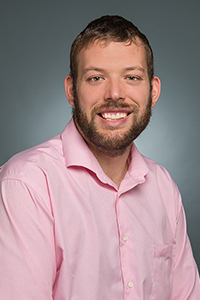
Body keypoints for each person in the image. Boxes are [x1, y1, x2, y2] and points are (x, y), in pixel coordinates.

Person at [0, 15, 199, 299]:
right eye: (96, 78)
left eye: (131, 77)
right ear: (71, 90)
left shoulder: (164, 187)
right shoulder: (26, 185)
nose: (115, 94)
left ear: (153, 91)